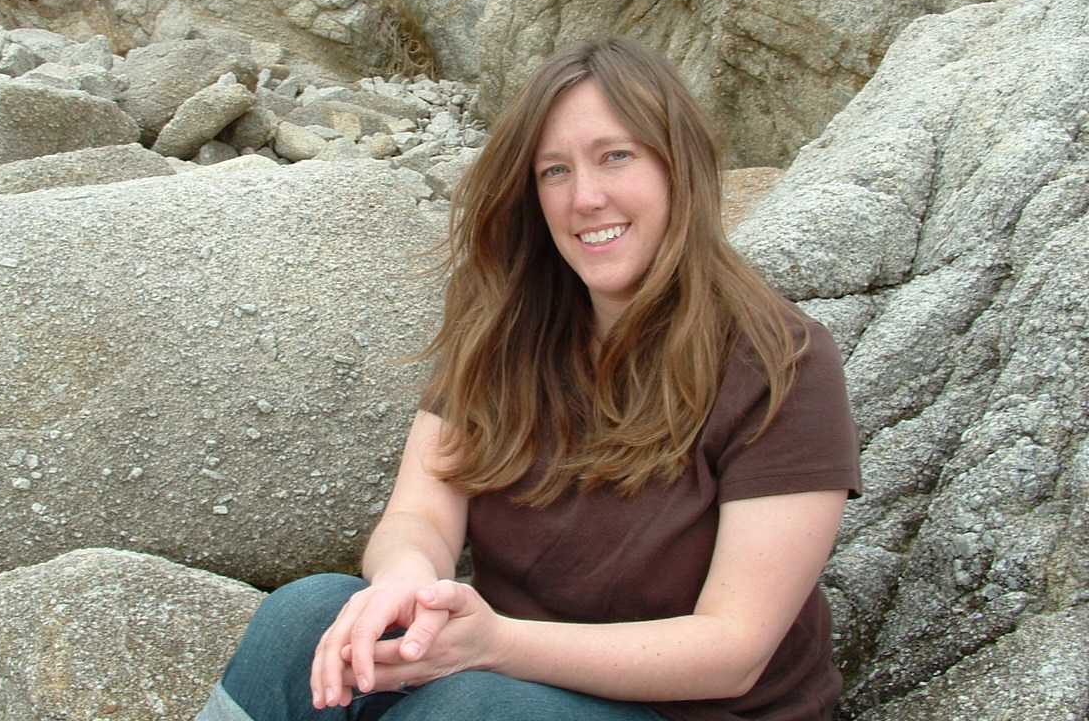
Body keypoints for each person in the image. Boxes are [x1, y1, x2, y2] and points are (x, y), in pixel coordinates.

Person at [196, 37, 861, 721]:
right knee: (306, 614)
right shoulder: (509, 329)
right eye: (554, 171)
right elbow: (421, 514)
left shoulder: (782, 361)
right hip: (509, 678)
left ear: (678, 168)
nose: (586, 198)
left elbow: (733, 648)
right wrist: (407, 581)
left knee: (471, 708)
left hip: (686, 710)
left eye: (616, 156)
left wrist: (495, 645)